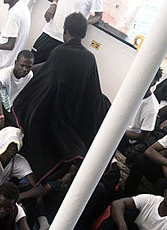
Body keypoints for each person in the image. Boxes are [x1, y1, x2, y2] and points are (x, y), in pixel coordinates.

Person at [12, 13, 109, 187]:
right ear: (84, 34)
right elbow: (93, 95)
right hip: (75, 118)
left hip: (54, 114)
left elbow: (44, 81)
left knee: (29, 110)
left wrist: (23, 100)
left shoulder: (60, 52)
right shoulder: (90, 59)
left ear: (65, 31)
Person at [31, 0, 103, 63]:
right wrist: (54, 3)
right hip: (50, 32)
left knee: (53, 73)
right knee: (32, 63)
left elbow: (98, 16)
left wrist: (83, 22)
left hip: (67, 41)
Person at [120, 69, 162, 152]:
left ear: (153, 83)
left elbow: (143, 136)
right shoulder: (129, 91)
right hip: (119, 129)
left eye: (148, 79)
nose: (143, 81)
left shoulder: (152, 107)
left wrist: (121, 132)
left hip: (128, 138)